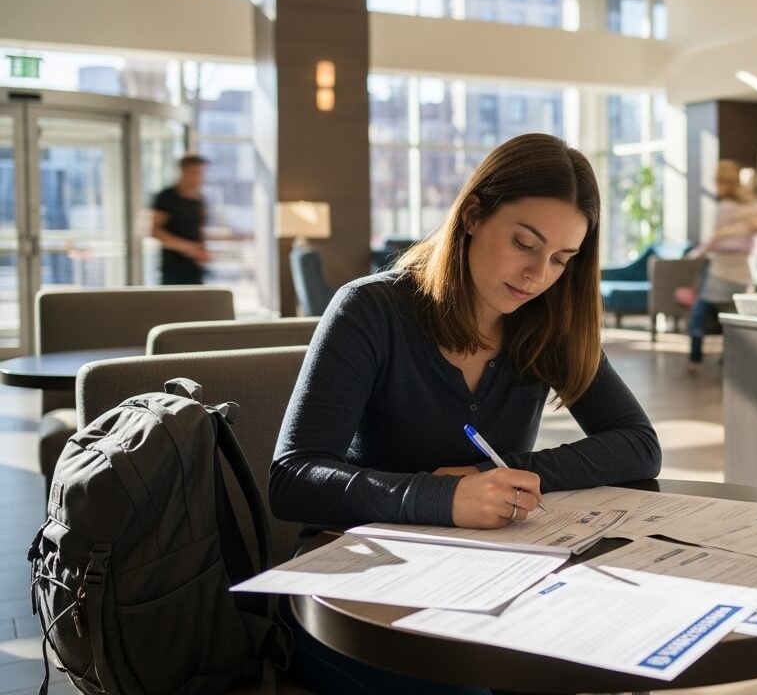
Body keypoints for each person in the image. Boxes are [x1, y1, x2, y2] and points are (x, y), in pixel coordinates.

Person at [268, 133, 661, 694]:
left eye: (561, 259)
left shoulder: (545, 320)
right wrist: (441, 498)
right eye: (525, 244)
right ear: (473, 213)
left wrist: (500, 481)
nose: (539, 275)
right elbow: (293, 477)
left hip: (490, 577)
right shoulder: (371, 309)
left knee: (609, 653)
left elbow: (638, 443)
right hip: (355, 596)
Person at [686, 160, 757, 367]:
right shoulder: (755, 205)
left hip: (724, 269)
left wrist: (701, 251)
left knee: (701, 313)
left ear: (725, 182)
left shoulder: (726, 207)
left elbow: (717, 238)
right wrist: (743, 228)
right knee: (732, 315)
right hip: (743, 271)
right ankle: (728, 355)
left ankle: (696, 353)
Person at [150, 153, 212, 284]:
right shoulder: (166, 197)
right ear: (184, 171)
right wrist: (187, 248)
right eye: (196, 172)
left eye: (201, 173)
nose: (200, 178)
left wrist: (201, 251)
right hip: (173, 268)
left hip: (195, 268)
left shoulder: (199, 200)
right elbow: (154, 230)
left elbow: (198, 231)